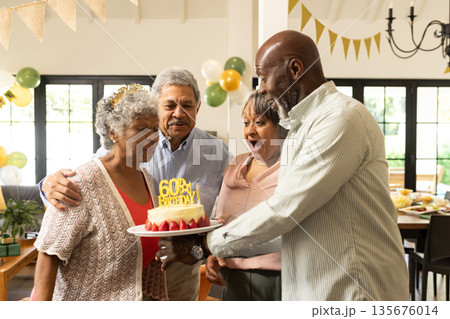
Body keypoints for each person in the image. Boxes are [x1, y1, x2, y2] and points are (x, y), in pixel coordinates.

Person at [156, 30, 410, 301]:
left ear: (295, 69)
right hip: (318, 288)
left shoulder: (340, 118)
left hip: (355, 289)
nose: (261, 88)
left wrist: (205, 244)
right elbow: (293, 230)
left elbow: (285, 209)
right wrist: (213, 250)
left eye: (264, 77)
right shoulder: (301, 128)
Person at [40, 67, 232, 301]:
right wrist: (47, 184)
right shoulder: (133, 144)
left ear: (198, 108)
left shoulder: (217, 152)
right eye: (170, 105)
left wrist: (207, 250)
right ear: (157, 106)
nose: (179, 113)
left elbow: (232, 204)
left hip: (185, 265)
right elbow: (91, 177)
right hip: (131, 268)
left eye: (188, 105)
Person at [34, 85, 167, 300]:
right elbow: (49, 252)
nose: (151, 138)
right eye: (141, 130)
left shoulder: (146, 179)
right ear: (113, 131)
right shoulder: (81, 182)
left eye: (155, 130)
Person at [206, 91, 288, 301]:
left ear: (280, 127)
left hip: (275, 280)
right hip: (229, 278)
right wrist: (212, 255)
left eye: (259, 123)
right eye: (246, 123)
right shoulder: (234, 165)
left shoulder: (291, 168)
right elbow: (219, 221)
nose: (250, 131)